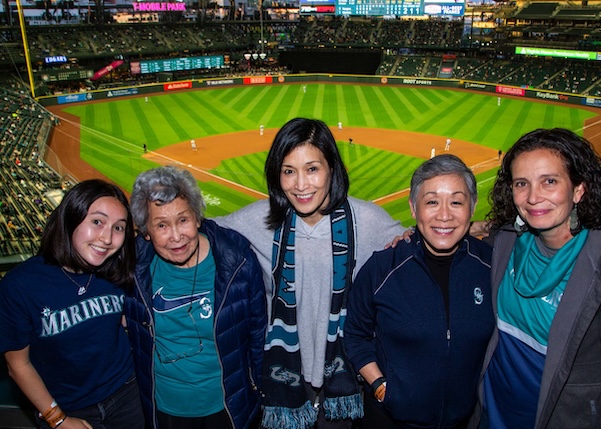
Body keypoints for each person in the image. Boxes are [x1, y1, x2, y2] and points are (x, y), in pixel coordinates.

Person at [214, 117, 406, 429]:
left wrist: (476, 229)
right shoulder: (261, 218)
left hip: (343, 375)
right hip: (282, 374)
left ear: (332, 168)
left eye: (312, 169)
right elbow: (202, 231)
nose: (301, 185)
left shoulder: (367, 220)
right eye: (289, 171)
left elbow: (416, 244)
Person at [470, 128, 601, 428]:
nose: (533, 197)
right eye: (522, 184)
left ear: (578, 189)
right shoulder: (505, 241)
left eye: (549, 181)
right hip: (492, 411)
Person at [344, 155, 494, 429]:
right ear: (414, 208)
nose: (444, 215)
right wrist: (380, 387)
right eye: (432, 202)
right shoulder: (382, 268)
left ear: (472, 207)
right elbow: (355, 335)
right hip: (388, 421)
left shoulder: (493, 266)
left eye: (456, 202)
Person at [123, 166, 266, 429]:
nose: (176, 236)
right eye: (162, 225)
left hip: (229, 407)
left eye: (183, 220)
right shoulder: (130, 267)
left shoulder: (238, 261)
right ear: (146, 231)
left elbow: (259, 335)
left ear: (197, 218)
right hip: (165, 410)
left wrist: (262, 391)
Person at [0, 179, 144, 429]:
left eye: (119, 227)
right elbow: (18, 365)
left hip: (128, 394)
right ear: (70, 219)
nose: (107, 238)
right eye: (97, 222)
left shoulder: (117, 269)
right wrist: (58, 420)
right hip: (66, 405)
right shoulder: (20, 285)